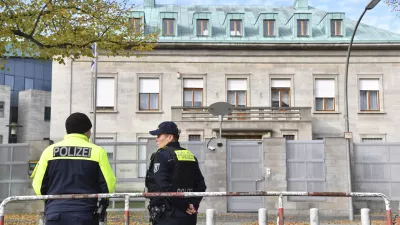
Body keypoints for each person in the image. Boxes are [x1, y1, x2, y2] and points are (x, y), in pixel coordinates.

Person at [31, 112, 116, 225]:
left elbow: (38, 186)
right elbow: (108, 185)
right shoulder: (97, 152)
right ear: (87, 131)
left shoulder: (49, 151)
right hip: (85, 214)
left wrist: (52, 202)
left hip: (55, 214)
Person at [145, 121, 207, 225]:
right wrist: (193, 204)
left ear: (170, 137)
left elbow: (163, 186)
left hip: (167, 215)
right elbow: (201, 185)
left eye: (159, 136)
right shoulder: (189, 155)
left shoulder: (162, 155)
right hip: (189, 216)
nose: (156, 139)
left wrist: (184, 205)